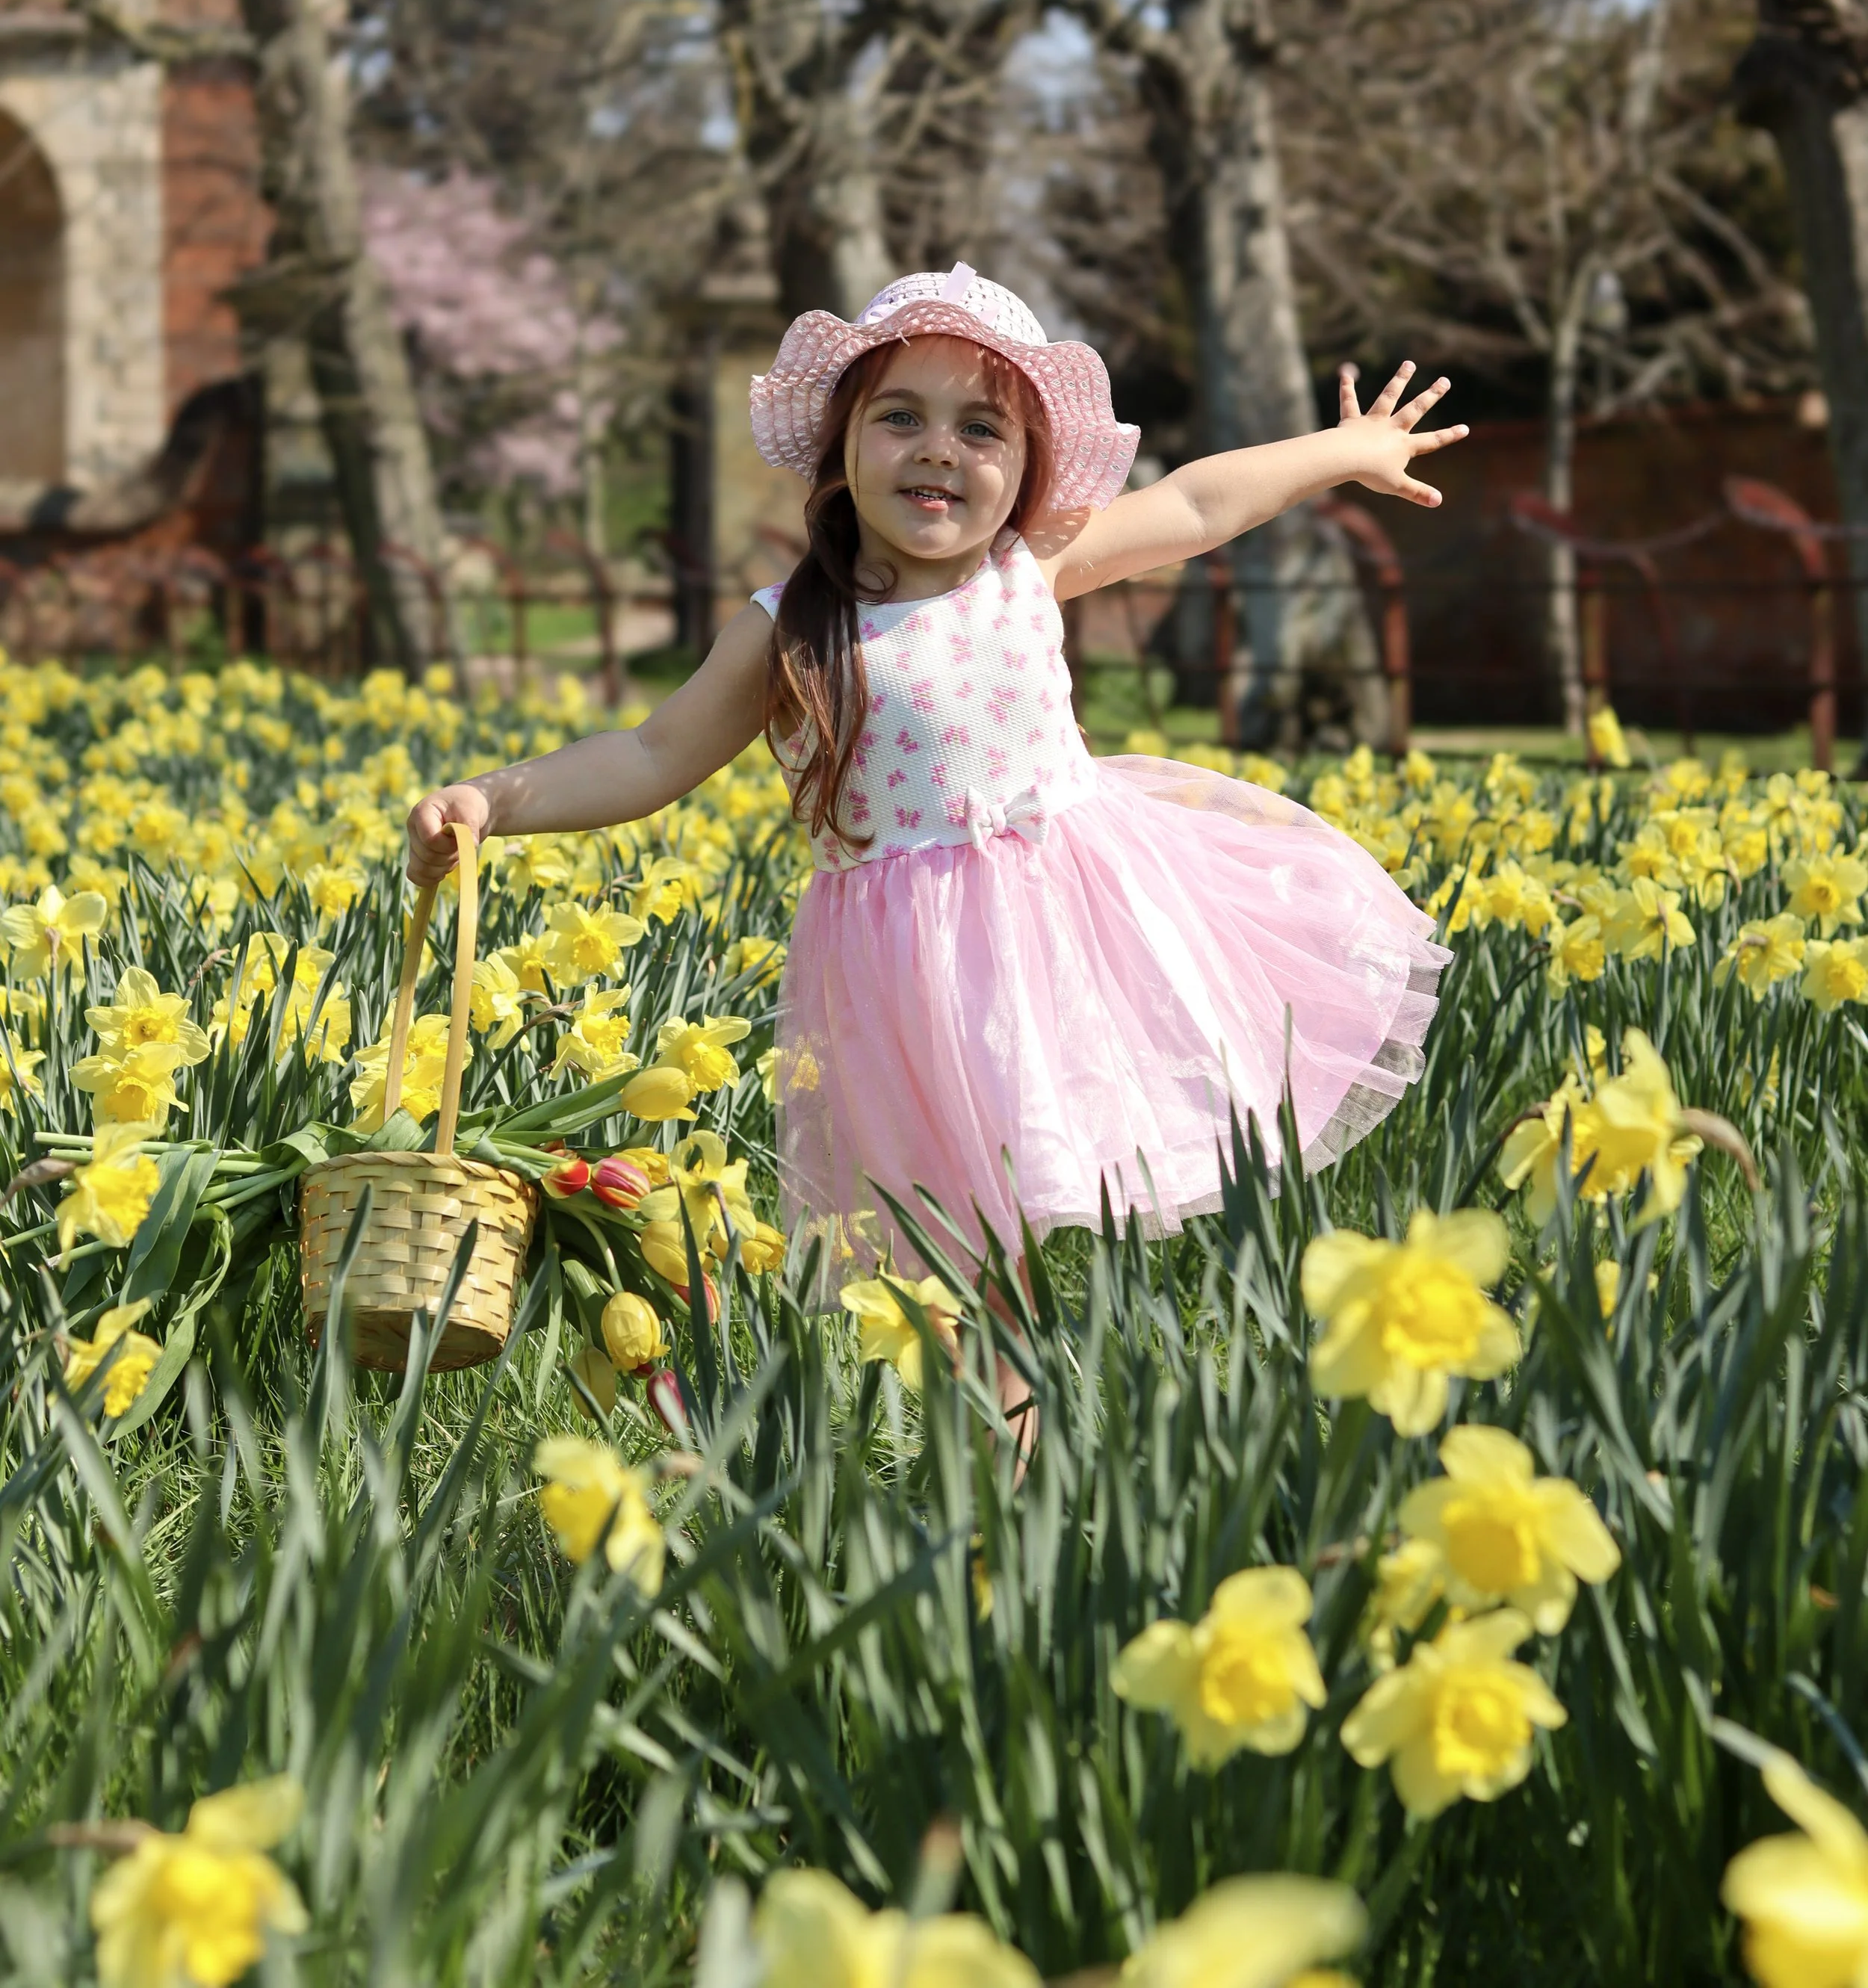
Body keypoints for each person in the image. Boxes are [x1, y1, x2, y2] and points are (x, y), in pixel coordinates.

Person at [406, 265, 1465, 1339]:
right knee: (953, 1254)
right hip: (906, 981)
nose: (939, 448)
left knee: (1025, 1219)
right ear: (843, 443)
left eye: (981, 429)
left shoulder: (1026, 567)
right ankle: (991, 1461)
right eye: (901, 416)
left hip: (1068, 929)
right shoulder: (788, 628)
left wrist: (1347, 452)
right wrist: (490, 800)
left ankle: (1024, 1455)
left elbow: (1196, 502)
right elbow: (649, 755)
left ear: (1027, 473)